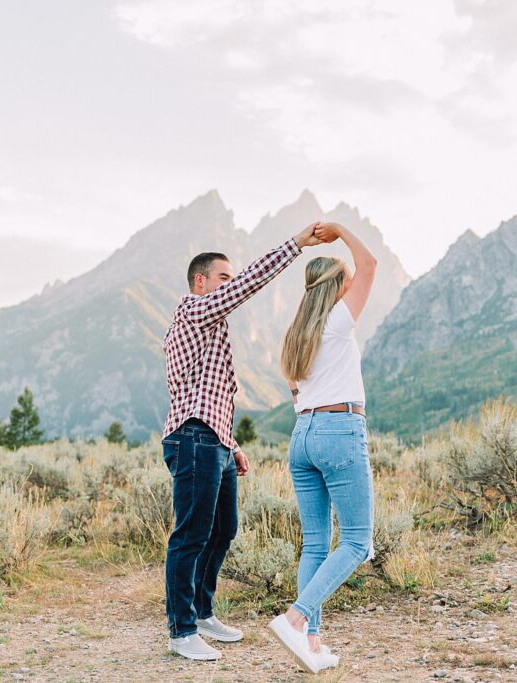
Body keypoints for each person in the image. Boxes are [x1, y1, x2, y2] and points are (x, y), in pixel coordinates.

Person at [161, 223, 325, 661]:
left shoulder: (211, 324)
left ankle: (201, 612)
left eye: (229, 280)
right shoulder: (194, 311)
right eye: (222, 279)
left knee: (223, 528)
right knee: (190, 534)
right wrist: (297, 244)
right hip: (193, 438)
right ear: (201, 282)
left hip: (212, 438)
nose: (230, 286)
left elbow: (208, 391)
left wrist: (231, 443)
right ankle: (181, 631)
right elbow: (252, 282)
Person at [268, 221, 377, 673]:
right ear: (335, 286)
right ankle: (295, 620)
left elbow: (295, 388)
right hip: (338, 430)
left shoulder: (298, 332)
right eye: (346, 281)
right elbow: (369, 262)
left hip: (303, 436)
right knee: (356, 541)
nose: (354, 284)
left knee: (315, 543)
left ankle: (311, 642)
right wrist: (340, 230)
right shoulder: (337, 321)